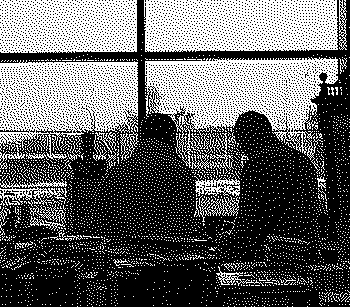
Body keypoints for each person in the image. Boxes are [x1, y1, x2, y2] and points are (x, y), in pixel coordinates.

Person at [218, 111, 320, 259]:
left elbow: (247, 222)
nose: (241, 148)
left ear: (250, 138)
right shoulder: (302, 162)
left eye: (241, 141)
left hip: (269, 254)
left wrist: (226, 240)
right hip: (305, 253)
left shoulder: (255, 168)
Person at [91, 113, 197, 240]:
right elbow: (184, 221)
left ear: (142, 137)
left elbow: (99, 220)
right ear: (171, 138)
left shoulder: (118, 174)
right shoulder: (181, 174)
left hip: (122, 251)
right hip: (169, 250)